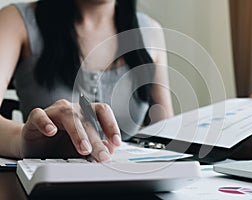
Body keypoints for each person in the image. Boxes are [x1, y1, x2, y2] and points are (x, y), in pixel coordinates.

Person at [0, 0, 174, 162]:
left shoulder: (150, 31)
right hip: (49, 182)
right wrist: (24, 142)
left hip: (132, 182)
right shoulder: (15, 21)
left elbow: (166, 133)